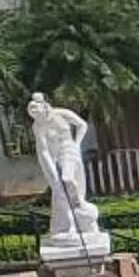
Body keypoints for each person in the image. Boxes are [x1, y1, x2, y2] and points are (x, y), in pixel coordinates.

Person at [27, 93, 108, 258]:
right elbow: (43, 151)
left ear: (44, 108)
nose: (36, 117)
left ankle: (78, 203)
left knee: (67, 179)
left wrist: (77, 143)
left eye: (37, 113)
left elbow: (82, 125)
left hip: (69, 150)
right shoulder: (38, 126)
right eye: (33, 115)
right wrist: (51, 172)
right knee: (60, 190)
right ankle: (70, 222)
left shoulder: (61, 113)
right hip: (56, 156)